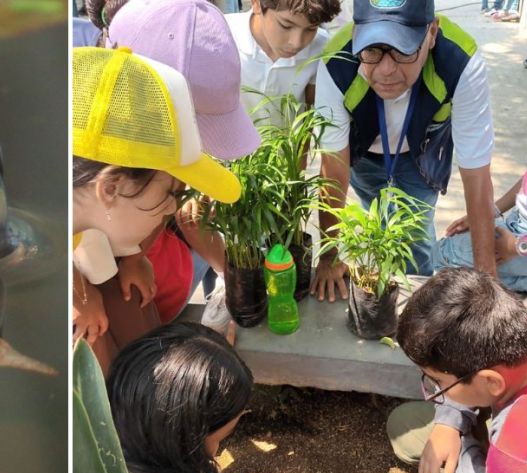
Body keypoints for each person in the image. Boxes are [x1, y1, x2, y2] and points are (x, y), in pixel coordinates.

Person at [312, 0, 497, 302]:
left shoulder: (461, 61)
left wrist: (487, 281)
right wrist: (330, 255)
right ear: (356, 32)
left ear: (432, 32)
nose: (386, 70)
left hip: (421, 154)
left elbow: (477, 176)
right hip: (365, 153)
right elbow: (332, 170)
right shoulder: (336, 62)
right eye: (372, 50)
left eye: (404, 50)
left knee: (417, 233)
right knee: (374, 224)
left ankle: (420, 299)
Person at [72, 46, 242, 373]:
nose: (172, 211)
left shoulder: (91, 232)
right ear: (111, 187)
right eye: (170, 195)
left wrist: (133, 258)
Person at [100, 0, 261, 324]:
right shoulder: (88, 167)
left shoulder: (154, 156)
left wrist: (228, 274)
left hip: (166, 286)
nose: (174, 203)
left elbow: (192, 215)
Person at [386, 267, 527, 473]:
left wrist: (465, 448)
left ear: (491, 382)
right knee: (405, 426)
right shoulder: (523, 331)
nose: (436, 391)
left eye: (438, 381)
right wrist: (449, 423)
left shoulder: (518, 455)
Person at [107, 321, 253, 473]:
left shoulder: (92, 438)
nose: (217, 449)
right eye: (219, 438)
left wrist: (220, 364)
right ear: (184, 440)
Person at [434, 132, 527, 295]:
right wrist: (489, 212)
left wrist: (518, 246)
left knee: (441, 254)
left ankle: (523, 278)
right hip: (521, 226)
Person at [225, 0, 342, 125]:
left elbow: (311, 112)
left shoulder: (321, 47)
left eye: (311, 29)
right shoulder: (221, 35)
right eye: (286, 26)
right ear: (256, 4)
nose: (296, 43)